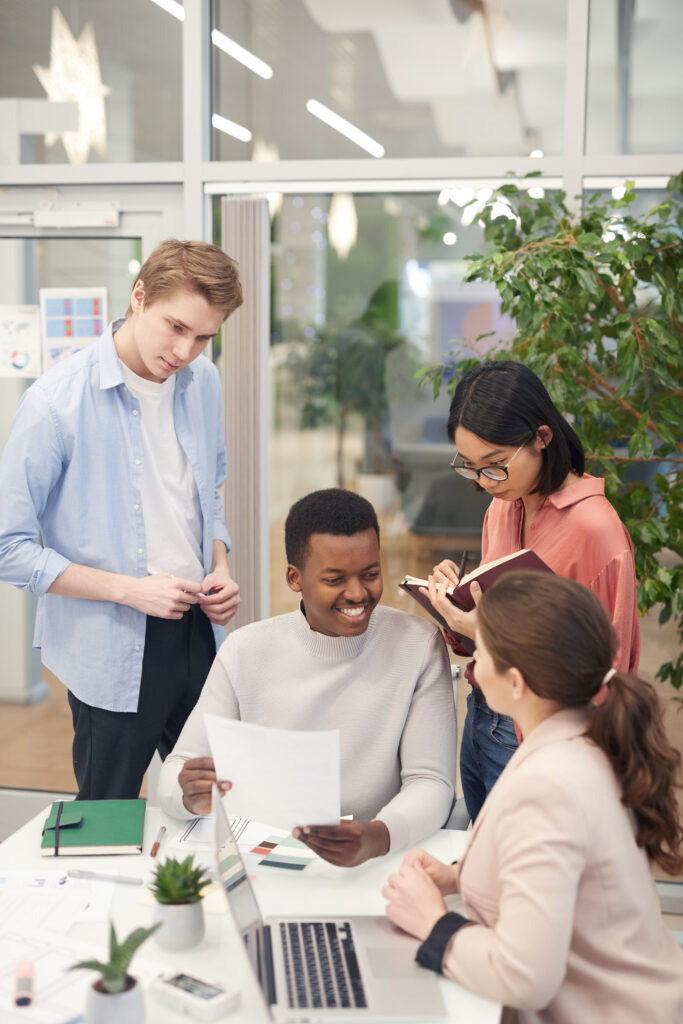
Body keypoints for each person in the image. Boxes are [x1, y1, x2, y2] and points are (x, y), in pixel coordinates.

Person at [0, 239, 243, 800]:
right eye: (176, 327)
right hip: (108, 644)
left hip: (198, 629)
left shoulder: (203, 382)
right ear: (139, 297)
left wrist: (221, 563)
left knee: (213, 806)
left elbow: (207, 492)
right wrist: (130, 592)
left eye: (204, 336)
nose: (186, 350)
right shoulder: (55, 403)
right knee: (108, 821)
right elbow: (9, 547)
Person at [383, 572, 683, 1024]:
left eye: (479, 651)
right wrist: (455, 877)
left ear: (517, 682)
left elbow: (526, 976)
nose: (472, 666)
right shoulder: (583, 738)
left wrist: (431, 922)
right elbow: (559, 870)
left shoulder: (551, 784)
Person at [158, 488, 457, 867]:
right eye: (335, 579)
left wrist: (379, 836)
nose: (357, 593)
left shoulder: (417, 644)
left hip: (378, 857)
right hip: (265, 856)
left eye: (370, 574)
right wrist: (189, 794)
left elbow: (432, 782)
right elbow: (175, 770)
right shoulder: (245, 651)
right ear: (294, 578)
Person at [425, 360, 639, 821]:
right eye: (471, 467)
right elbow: (478, 637)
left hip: (543, 738)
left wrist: (491, 633)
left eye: (495, 466)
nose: (483, 482)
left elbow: (611, 672)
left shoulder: (595, 530)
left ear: (542, 436)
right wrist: (453, 610)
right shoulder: (502, 510)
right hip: (482, 716)